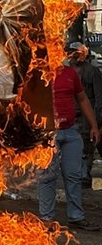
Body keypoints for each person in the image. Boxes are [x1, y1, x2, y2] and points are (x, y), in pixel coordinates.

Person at [38, 53, 101, 231]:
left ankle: (76, 216)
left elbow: (82, 99)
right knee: (47, 176)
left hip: (71, 131)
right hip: (48, 133)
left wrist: (94, 126)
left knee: (74, 176)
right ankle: (47, 219)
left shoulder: (70, 73)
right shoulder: (38, 75)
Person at [68, 42, 102, 188]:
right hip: (71, 116)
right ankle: (78, 174)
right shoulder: (66, 71)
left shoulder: (92, 71)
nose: (72, 55)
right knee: (74, 147)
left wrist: (98, 121)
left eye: (75, 52)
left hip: (87, 116)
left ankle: (84, 175)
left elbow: (99, 97)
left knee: (87, 145)